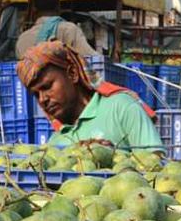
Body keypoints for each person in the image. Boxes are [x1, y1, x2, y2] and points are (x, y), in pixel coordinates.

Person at [16, 40, 162, 150]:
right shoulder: (56, 142)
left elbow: (154, 165)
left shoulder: (122, 108)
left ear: (72, 74)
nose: (42, 99)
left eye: (47, 87)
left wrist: (109, 155)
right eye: (36, 94)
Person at [15, 0, 97, 58]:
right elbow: (91, 57)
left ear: (34, 10)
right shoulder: (69, 30)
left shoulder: (23, 38)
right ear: (58, 7)